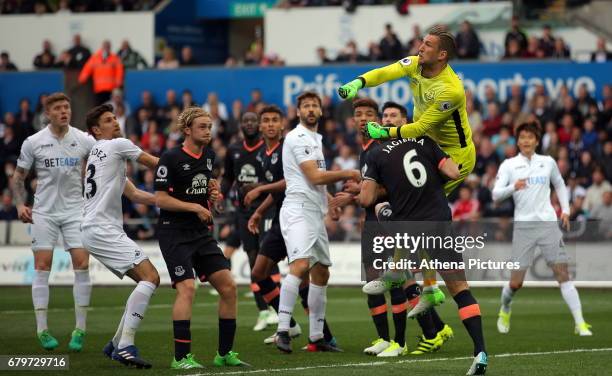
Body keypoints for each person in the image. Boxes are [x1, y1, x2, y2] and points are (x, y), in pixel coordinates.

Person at [339, 25, 475, 313]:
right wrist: (359, 82)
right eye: (421, 42)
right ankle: (428, 287)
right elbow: (386, 72)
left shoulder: (451, 89)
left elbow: (422, 126)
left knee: (415, 212)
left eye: (426, 44)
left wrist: (384, 133)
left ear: (441, 55)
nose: (419, 47)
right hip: (427, 148)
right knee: (407, 211)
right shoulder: (416, 64)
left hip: (455, 157)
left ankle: (402, 273)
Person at [358, 134, 487, 375]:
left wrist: (382, 186)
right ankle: (480, 352)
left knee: (380, 208)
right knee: (461, 290)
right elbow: (453, 173)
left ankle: (399, 272)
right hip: (440, 223)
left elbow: (366, 198)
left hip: (410, 228)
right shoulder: (425, 141)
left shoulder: (375, 154)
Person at [154, 107, 249, 368]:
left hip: (200, 233)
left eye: (210, 126)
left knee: (229, 287)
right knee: (187, 288)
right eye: (203, 126)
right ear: (187, 130)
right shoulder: (170, 158)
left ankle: (224, 354)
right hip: (174, 231)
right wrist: (195, 207)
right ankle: (181, 358)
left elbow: (206, 192)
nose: (208, 131)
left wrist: (212, 199)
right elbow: (160, 198)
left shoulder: (209, 156)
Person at [244, 105, 338, 349]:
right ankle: (294, 326)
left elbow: (294, 180)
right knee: (259, 273)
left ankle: (320, 334)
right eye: (267, 121)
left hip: (297, 214)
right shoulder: (265, 154)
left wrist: (261, 191)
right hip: (282, 218)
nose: (271, 124)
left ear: (283, 124)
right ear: (262, 126)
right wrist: (259, 211)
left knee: (304, 273)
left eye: (276, 120)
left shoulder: (290, 144)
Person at [274, 91, 359, 353]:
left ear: (321, 111)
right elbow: (313, 176)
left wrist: (329, 201)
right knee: (300, 266)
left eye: (315, 106)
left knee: (321, 270)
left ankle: (316, 336)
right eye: (306, 106)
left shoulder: (315, 138)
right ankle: (282, 329)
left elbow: (313, 179)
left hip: (314, 210)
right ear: (298, 112)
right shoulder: (298, 137)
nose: (311, 110)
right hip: (298, 210)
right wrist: (349, 172)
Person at [492, 121, 592, 337]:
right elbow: (495, 195)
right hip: (524, 227)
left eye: (530, 137)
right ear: (517, 141)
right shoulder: (509, 165)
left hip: (548, 225)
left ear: (537, 141)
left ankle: (580, 322)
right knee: (516, 282)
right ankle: (505, 309)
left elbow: (559, 184)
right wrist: (512, 187)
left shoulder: (547, 162)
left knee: (563, 275)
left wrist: (565, 209)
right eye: (522, 137)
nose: (526, 141)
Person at [12, 93, 95, 352]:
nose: (64, 111)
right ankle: (42, 330)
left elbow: (103, 164)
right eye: (58, 108)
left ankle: (80, 328)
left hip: (75, 211)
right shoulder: (34, 142)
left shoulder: (83, 139)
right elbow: (18, 178)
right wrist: (19, 203)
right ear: (47, 113)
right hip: (44, 212)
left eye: (67, 107)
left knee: (82, 263)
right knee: (42, 266)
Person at [82, 104, 160, 368]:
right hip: (102, 229)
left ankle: (116, 343)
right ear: (96, 130)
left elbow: (135, 194)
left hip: (96, 230)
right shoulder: (117, 146)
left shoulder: (98, 154)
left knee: (144, 280)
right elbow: (155, 164)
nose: (115, 122)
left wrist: (167, 201)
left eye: (115, 117)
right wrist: (192, 172)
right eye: (107, 120)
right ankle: (126, 346)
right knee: (151, 278)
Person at [221, 111, 277, 331]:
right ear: (240, 125)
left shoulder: (268, 149)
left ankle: (276, 308)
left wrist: (258, 187)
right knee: (253, 259)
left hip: (267, 208)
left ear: (260, 125)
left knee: (267, 257)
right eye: (246, 121)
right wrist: (220, 196)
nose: (250, 124)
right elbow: (227, 177)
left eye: (254, 120)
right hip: (243, 212)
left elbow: (275, 178)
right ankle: (263, 310)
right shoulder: (234, 150)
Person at [79, 40, 124, 105]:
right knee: (99, 107)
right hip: (98, 89)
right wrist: (82, 79)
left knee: (109, 107)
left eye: (108, 47)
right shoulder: (95, 58)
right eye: (105, 46)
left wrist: (118, 84)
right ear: (102, 47)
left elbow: (119, 71)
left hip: (110, 89)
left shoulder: (115, 58)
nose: (106, 48)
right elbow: (87, 69)